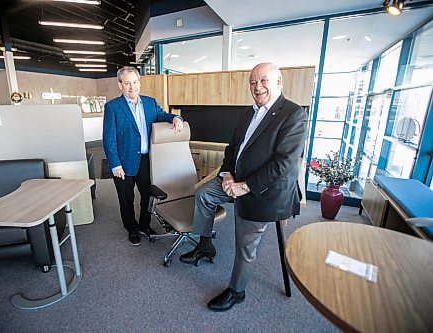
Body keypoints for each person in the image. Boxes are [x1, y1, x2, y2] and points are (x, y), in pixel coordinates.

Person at [179, 62, 308, 312]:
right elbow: (232, 148)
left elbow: (283, 165)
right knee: (204, 194)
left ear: (278, 82)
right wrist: (227, 176)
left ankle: (237, 291)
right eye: (252, 82)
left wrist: (244, 187)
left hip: (264, 191)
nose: (257, 87)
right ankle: (205, 245)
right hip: (234, 181)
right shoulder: (248, 113)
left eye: (263, 81)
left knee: (244, 243)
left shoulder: (293, 115)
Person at [103, 66, 183, 246]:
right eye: (127, 83)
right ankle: (131, 228)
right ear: (120, 85)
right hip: (123, 163)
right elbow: (109, 139)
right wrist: (115, 164)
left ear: (139, 82)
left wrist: (175, 118)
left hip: (146, 160)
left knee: (147, 195)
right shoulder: (113, 107)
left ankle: (144, 225)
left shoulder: (150, 102)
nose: (132, 87)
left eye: (135, 82)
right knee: (126, 198)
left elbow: (163, 115)